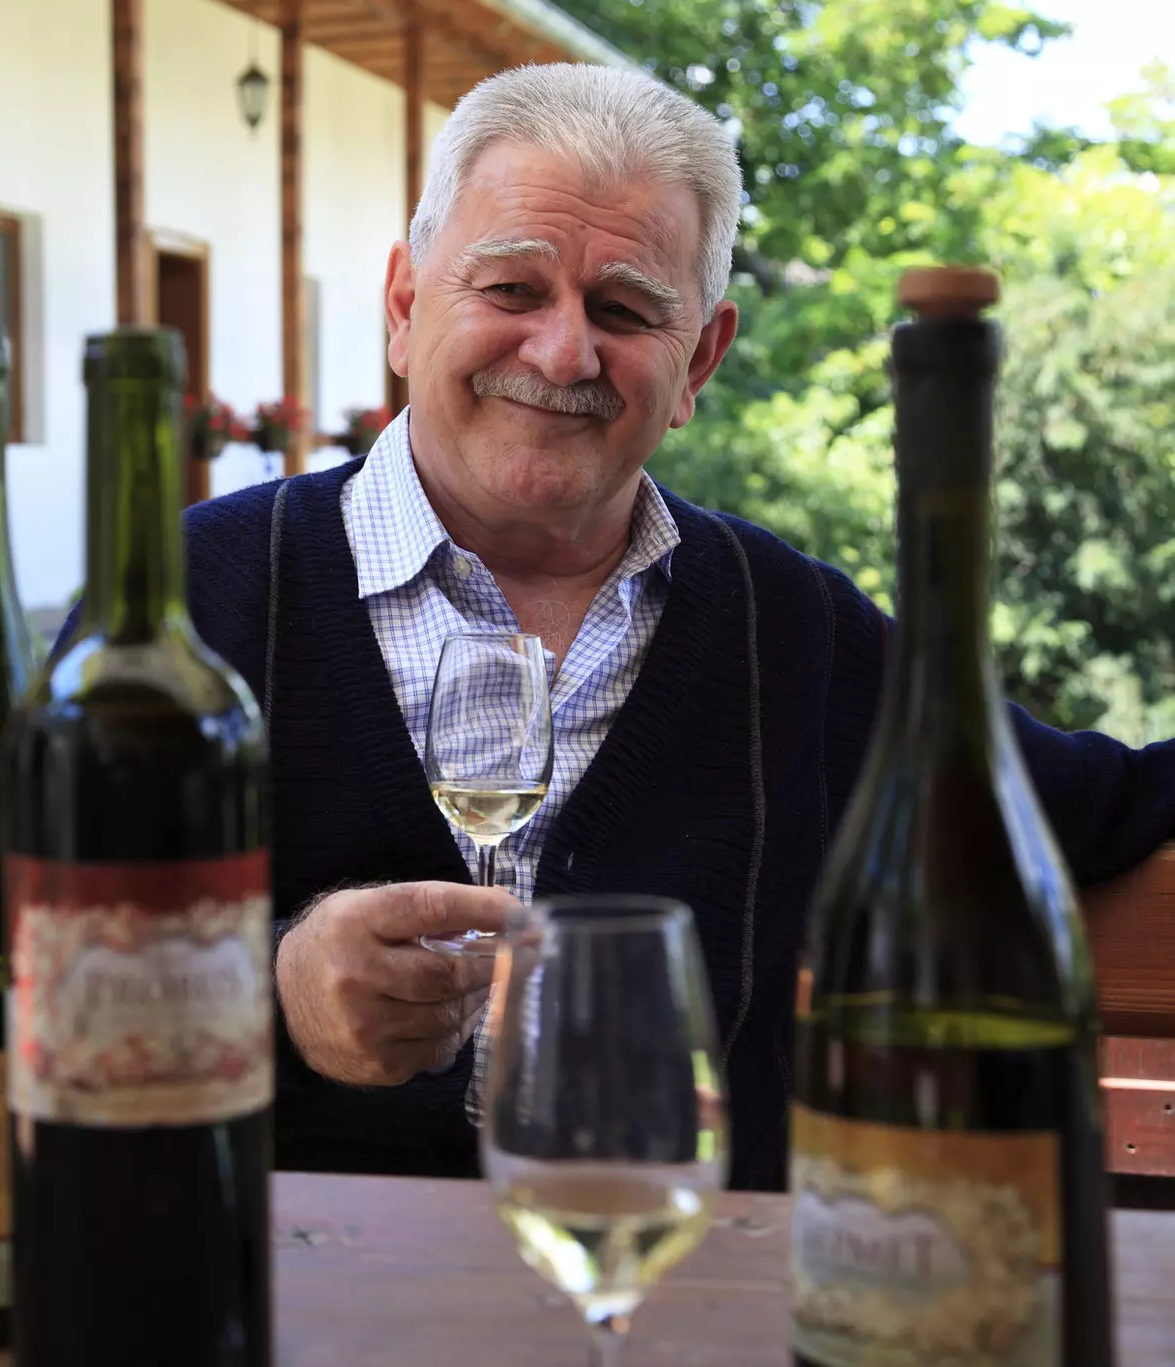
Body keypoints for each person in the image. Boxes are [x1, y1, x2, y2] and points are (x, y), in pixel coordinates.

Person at [180, 62, 1175, 1192]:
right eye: (511, 290)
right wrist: (267, 989)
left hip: (688, 1306)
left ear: (698, 357)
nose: (563, 353)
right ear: (406, 306)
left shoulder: (791, 631)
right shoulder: (187, 604)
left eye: (624, 310)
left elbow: (1101, 804)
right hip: (283, 1311)